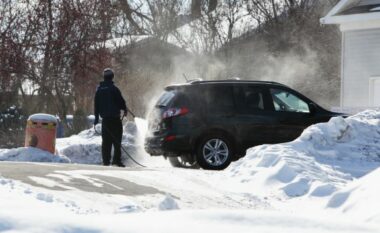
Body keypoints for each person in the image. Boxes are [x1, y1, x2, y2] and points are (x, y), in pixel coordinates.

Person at [94, 68, 127, 167]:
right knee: (117, 141)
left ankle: (106, 161)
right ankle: (116, 160)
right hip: (115, 120)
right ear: (112, 77)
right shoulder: (114, 89)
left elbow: (96, 105)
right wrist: (124, 109)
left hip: (105, 121)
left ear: (104, 77)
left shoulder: (99, 90)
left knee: (106, 142)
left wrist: (96, 119)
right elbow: (121, 102)